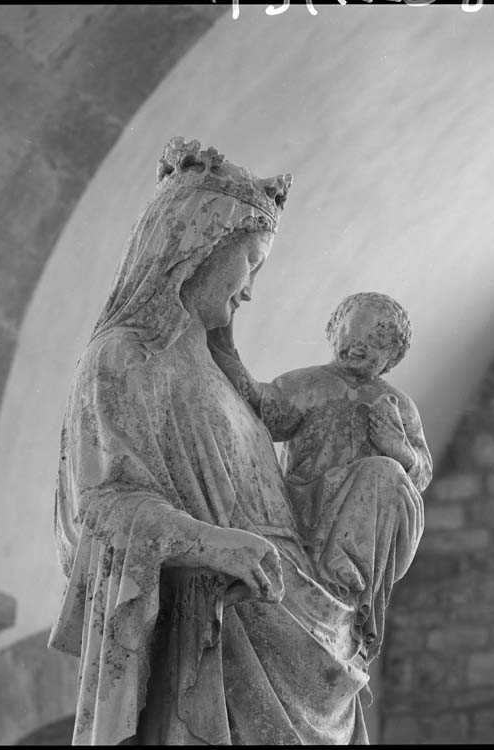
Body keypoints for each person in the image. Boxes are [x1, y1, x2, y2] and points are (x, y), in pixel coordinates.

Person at [49, 138, 391, 745]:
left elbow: (275, 503)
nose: (251, 290)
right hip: (218, 629)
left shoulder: (225, 378)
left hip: (293, 619)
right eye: (251, 262)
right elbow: (103, 506)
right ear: (197, 247)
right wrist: (209, 542)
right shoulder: (125, 357)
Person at [208, 292, 431, 663]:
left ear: (392, 357)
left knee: (386, 472)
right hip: (308, 506)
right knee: (384, 473)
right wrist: (223, 347)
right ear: (333, 330)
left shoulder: (398, 405)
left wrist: (399, 447)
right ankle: (331, 563)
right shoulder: (307, 384)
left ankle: (347, 564)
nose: (358, 344)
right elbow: (260, 407)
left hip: (367, 521)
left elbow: (421, 470)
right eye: (351, 330)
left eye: (376, 341)